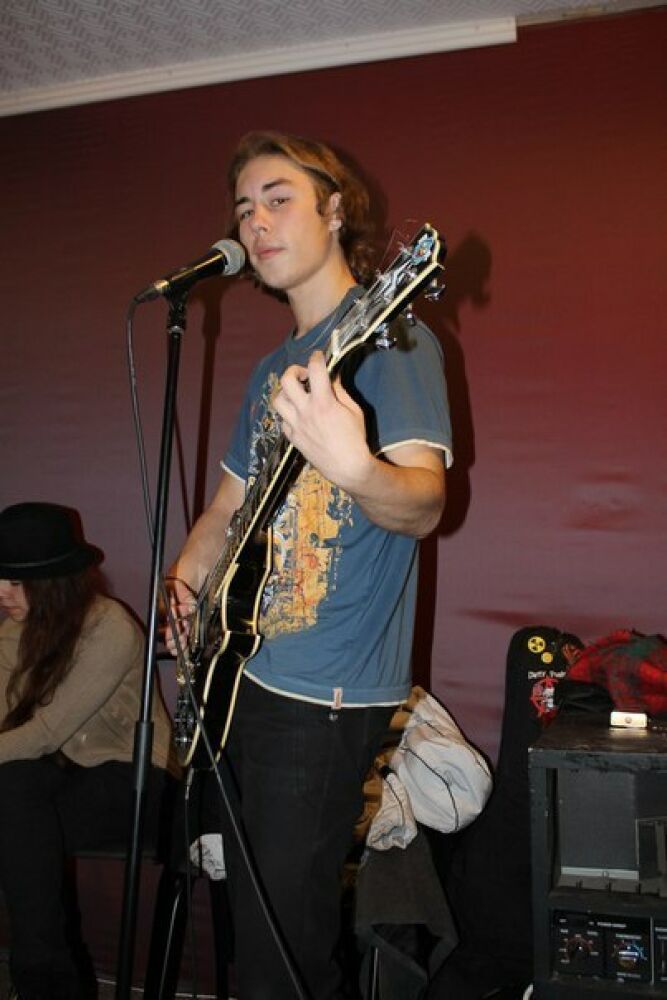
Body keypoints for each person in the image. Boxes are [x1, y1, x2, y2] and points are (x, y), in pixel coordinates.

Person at [168, 130, 453, 1000]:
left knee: (283, 951)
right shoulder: (269, 370)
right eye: (243, 208)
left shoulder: (393, 339)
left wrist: (354, 467)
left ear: (334, 210)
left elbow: (425, 506)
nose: (255, 222)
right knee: (249, 932)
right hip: (242, 673)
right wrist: (183, 586)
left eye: (278, 198)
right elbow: (224, 508)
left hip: (324, 692)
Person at [0, 502, 177, 1000]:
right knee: (12, 793)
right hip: (59, 775)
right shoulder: (13, 631)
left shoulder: (109, 626)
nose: (1, 593)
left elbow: (44, 732)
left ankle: (40, 977)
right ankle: (47, 980)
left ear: (52, 582)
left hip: (135, 778)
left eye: (14, 582)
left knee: (15, 821)